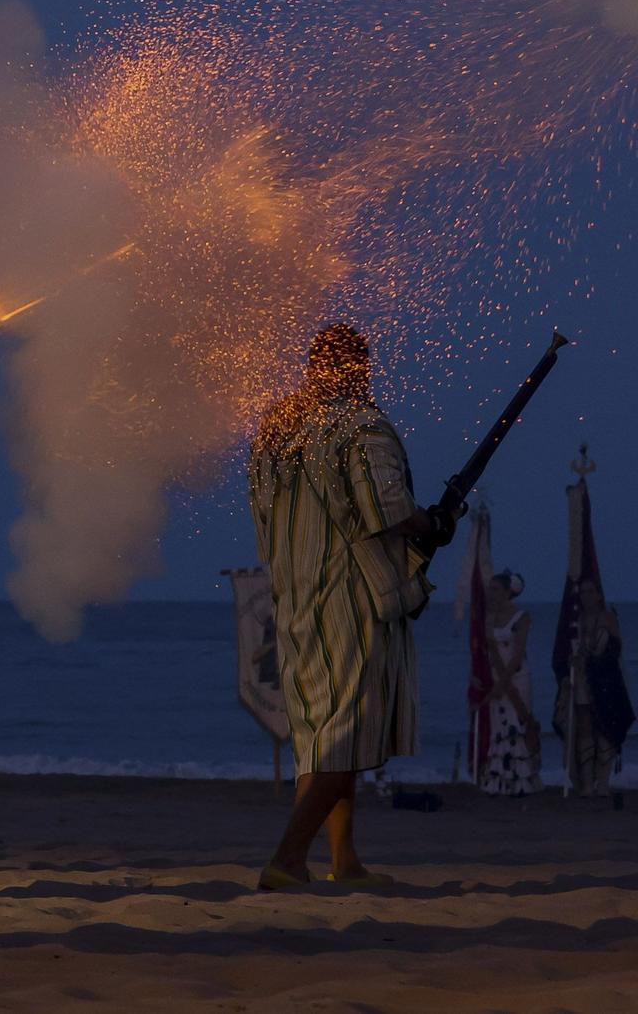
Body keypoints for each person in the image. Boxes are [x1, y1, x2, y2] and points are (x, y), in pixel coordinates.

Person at [248, 324, 452, 890]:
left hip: (293, 599)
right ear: (359, 366)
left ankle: (345, 859)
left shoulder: (275, 430)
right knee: (349, 732)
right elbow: (386, 505)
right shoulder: (361, 425)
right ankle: (288, 858)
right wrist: (432, 524)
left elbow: (263, 515)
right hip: (353, 600)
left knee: (322, 733)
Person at [556, 581, 631, 797]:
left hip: (605, 680)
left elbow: (616, 649)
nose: (586, 596)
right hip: (583, 679)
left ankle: (604, 783)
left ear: (599, 595)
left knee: (606, 725)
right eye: (583, 592)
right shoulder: (579, 620)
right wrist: (576, 659)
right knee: (585, 727)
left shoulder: (608, 617)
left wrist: (593, 659)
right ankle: (588, 783)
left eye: (591, 592)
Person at [478, 570, 542, 796]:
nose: (491, 594)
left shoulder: (521, 617)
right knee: (500, 726)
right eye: (490, 589)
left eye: (496, 589)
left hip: (517, 678)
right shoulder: (489, 618)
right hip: (498, 677)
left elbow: (517, 654)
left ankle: (522, 780)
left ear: (507, 592)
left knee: (517, 723)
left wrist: (503, 683)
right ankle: (500, 780)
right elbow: (491, 652)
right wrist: (495, 683)